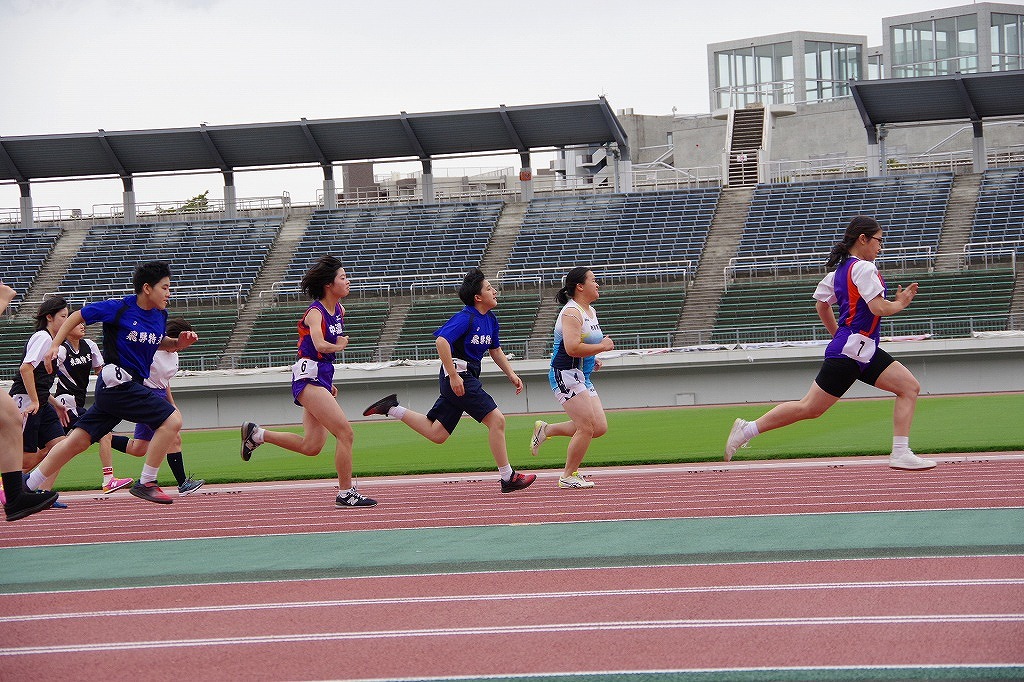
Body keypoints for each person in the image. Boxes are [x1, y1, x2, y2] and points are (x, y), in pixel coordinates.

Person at [724, 215, 936, 471]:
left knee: (909, 387)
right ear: (863, 239)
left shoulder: (838, 273)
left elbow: (821, 305)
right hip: (851, 351)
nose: (881, 247)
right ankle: (747, 429)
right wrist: (900, 303)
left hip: (862, 349)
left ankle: (901, 452)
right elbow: (878, 308)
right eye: (879, 241)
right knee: (810, 408)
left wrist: (838, 335)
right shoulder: (865, 268)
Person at [24, 261, 198, 504]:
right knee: (172, 420)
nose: (169, 293)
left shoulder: (160, 316)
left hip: (120, 388)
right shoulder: (119, 308)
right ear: (147, 288)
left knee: (78, 441)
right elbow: (77, 315)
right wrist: (55, 345)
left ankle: (25, 486)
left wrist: (178, 343)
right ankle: (147, 482)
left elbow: (157, 341)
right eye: (165, 287)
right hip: (118, 382)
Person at [362, 267, 536, 494]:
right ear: (478, 297)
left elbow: (495, 350)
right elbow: (442, 341)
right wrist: (453, 375)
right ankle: (507, 477)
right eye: (489, 288)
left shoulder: (491, 319)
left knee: (437, 434)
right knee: (497, 420)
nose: (495, 291)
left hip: (464, 377)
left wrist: (511, 374)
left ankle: (391, 408)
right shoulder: (466, 317)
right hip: (459, 376)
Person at [240, 255, 377, 508]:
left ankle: (257, 435)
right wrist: (340, 345)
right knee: (345, 433)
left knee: (311, 446)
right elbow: (319, 345)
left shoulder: (339, 310)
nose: (348, 281)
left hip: (319, 377)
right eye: (343, 277)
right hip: (308, 378)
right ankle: (346, 492)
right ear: (329, 284)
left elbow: (319, 353)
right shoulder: (316, 312)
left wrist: (326, 382)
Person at [529, 267, 615, 488]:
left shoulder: (590, 310)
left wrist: (593, 357)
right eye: (593, 280)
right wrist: (602, 347)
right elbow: (572, 348)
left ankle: (546, 430)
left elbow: (584, 343)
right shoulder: (571, 312)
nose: (597, 284)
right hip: (565, 374)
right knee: (586, 427)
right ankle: (568, 475)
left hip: (582, 375)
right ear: (580, 286)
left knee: (599, 427)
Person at [108, 317, 204, 495]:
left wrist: (172, 403)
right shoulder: (152, 350)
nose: (182, 348)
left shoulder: (174, 354)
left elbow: (165, 382)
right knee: (174, 437)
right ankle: (182, 483)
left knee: (138, 448)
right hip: (146, 395)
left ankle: (102, 436)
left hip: (160, 395)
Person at [53, 317, 134, 494]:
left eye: (83, 323)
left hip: (77, 403)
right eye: (77, 323)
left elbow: (101, 372)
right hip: (65, 402)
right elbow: (47, 369)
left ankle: (22, 484)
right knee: (103, 433)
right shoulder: (62, 350)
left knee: (51, 450)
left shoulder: (89, 345)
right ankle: (108, 479)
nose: (82, 325)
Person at [1, 280, 60, 521]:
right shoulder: (43, 337)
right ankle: (15, 491)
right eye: (64, 316)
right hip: (26, 397)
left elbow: (38, 377)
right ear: (49, 317)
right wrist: (4, 298)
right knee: (25, 453)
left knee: (12, 420)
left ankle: (19, 494)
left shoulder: (53, 341)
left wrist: (52, 402)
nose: (68, 320)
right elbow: (26, 369)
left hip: (40, 400)